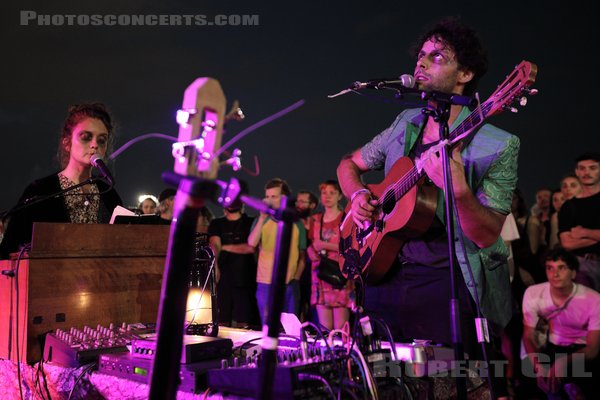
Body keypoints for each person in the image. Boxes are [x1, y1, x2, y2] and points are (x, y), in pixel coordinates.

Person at [336, 17, 518, 391]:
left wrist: (460, 191)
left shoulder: (498, 144)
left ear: (465, 73)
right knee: (382, 383)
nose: (421, 63)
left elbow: (486, 236)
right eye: (421, 55)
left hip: (446, 282)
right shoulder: (404, 122)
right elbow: (348, 164)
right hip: (384, 276)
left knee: (445, 385)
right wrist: (358, 195)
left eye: (437, 57)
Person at [0, 103, 122, 259]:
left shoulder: (109, 194)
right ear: (67, 143)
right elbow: (9, 251)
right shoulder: (41, 191)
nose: (94, 145)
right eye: (86, 137)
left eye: (102, 140)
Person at [522, 248, 600, 399]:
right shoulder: (533, 293)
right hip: (554, 347)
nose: (554, 274)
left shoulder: (593, 300)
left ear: (573, 273)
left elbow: (593, 348)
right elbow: (528, 336)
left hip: (582, 350)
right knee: (533, 383)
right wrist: (538, 366)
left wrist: (564, 362)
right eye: (549, 268)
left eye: (561, 268)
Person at [247, 178, 307, 324]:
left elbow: (302, 255)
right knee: (268, 325)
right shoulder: (262, 220)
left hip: (289, 283)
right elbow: (251, 243)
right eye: (267, 196)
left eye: (274, 196)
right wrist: (262, 218)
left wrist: (295, 278)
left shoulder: (296, 223)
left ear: (284, 198)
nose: (269, 200)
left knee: (289, 328)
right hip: (265, 282)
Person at [308, 180, 354, 330]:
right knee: (325, 328)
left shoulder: (346, 219)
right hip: (320, 277)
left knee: (340, 328)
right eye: (324, 193)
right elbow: (310, 245)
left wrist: (325, 245)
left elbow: (351, 246)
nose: (327, 196)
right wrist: (311, 252)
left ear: (339, 196)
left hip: (339, 275)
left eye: (332, 193)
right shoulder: (315, 220)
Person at [208, 199, 258, 328]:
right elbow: (214, 245)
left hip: (246, 277)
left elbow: (251, 247)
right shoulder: (216, 223)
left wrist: (224, 247)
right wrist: (216, 266)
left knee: (245, 320)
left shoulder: (251, 222)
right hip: (224, 277)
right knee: (223, 319)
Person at [559, 152, 600, 292]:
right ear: (577, 171)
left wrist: (584, 232)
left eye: (592, 168)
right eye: (582, 168)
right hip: (583, 266)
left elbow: (573, 240)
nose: (586, 172)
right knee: (586, 310)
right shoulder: (569, 206)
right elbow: (567, 243)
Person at [295, 190, 318, 321]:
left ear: (312, 205)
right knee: (297, 305)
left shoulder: (317, 222)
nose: (299, 204)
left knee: (312, 306)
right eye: (298, 201)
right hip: (297, 270)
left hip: (314, 270)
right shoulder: (293, 223)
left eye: (303, 202)